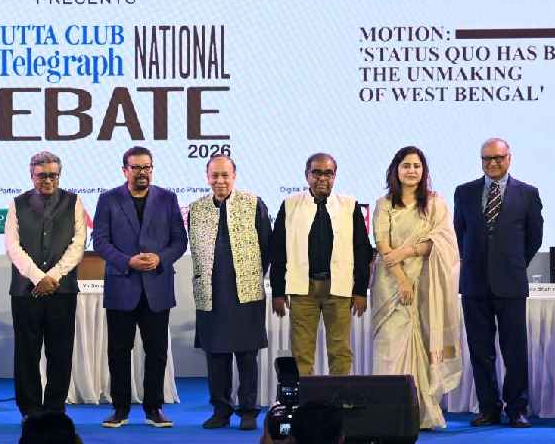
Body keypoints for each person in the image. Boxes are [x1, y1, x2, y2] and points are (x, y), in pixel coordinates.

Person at [93, 146, 188, 428]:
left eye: (146, 167)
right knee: (118, 352)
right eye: (136, 167)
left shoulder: (168, 199)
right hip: (122, 286)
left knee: (157, 352)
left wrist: (160, 258)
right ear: (125, 170)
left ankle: (153, 409)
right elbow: (100, 241)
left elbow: (179, 241)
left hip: (156, 287)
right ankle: (120, 408)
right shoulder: (108, 199)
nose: (142, 172)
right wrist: (127, 261)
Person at [370, 146, 461, 429]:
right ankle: (388, 414)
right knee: (389, 349)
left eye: (417, 166)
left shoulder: (435, 203)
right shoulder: (384, 203)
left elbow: (441, 242)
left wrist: (406, 252)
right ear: (395, 170)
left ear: (424, 172)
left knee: (422, 343)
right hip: (391, 285)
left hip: (426, 285)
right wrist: (401, 278)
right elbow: (383, 245)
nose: (411, 171)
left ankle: (421, 414)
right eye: (406, 165)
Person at [454, 138, 542, 428]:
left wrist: (512, 264)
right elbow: (460, 233)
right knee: (480, 350)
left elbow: (533, 239)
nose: (492, 163)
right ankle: (489, 408)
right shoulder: (464, 192)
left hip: (511, 284)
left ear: (509, 158)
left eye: (498, 158)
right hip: (474, 285)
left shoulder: (528, 193)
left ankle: (517, 408)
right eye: (486, 158)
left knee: (514, 350)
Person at [269, 152, 373, 376]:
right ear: (307, 175)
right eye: (316, 172)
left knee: (340, 351)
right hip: (302, 289)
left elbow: (362, 249)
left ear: (335, 176)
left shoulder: (349, 205)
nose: (322, 178)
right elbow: (278, 251)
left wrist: (361, 290)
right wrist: (277, 291)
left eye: (328, 173)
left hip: (339, 288)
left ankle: (339, 404)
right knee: (301, 353)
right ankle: (305, 405)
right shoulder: (290, 205)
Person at [188, 154, 271, 430]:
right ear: (207, 177)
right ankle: (220, 410)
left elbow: (267, 246)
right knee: (216, 355)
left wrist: (252, 274)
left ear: (234, 176)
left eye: (225, 175)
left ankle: (248, 411)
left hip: (245, 293)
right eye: (215, 175)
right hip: (211, 293)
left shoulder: (254, 204)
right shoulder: (196, 209)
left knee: (247, 355)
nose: (220, 180)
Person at [5, 151, 86, 420]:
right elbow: (12, 246)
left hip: (61, 291)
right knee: (26, 353)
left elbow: (78, 244)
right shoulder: (17, 203)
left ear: (59, 176)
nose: (48, 180)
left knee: (60, 352)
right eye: (42, 175)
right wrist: (38, 277)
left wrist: (54, 276)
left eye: (53, 175)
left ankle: (54, 408)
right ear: (32, 175)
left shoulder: (74, 201)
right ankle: (29, 409)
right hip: (25, 292)